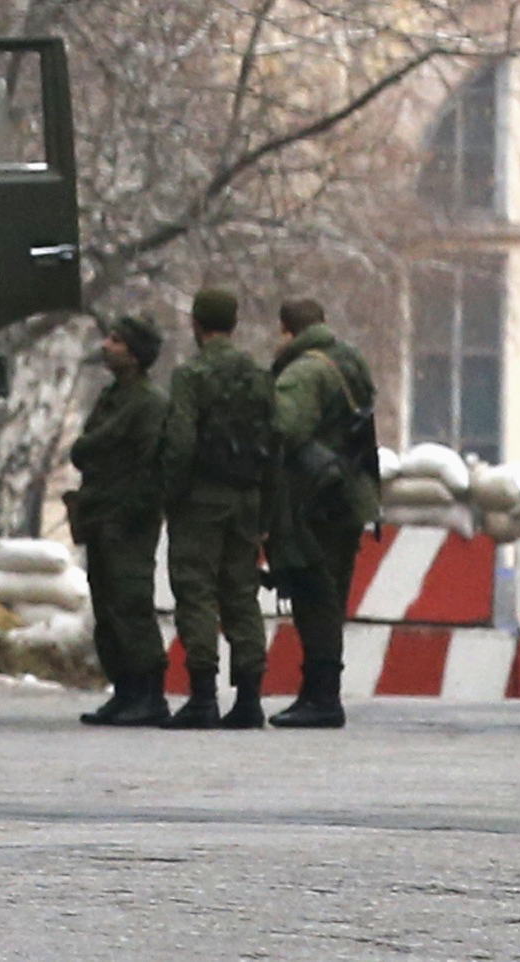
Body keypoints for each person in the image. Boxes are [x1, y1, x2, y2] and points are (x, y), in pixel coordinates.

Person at [160, 287, 274, 729]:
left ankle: (203, 697)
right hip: (247, 497)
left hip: (201, 500)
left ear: (196, 323)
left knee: (197, 592)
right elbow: (274, 439)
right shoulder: (257, 375)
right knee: (241, 593)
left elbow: (181, 440)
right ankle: (249, 698)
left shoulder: (192, 375)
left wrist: (171, 492)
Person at [267, 299, 379, 730]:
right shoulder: (349, 361)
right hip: (349, 495)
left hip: (316, 500)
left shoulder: (303, 372)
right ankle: (319, 692)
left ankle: (321, 696)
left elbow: (286, 429)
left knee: (316, 597)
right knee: (331, 594)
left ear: (286, 330)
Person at [69, 313, 170, 728]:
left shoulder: (149, 404)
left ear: (135, 353)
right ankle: (125, 690)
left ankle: (149, 694)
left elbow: (152, 467)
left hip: (128, 520)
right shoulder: (113, 398)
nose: (107, 346)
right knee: (106, 606)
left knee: (130, 606)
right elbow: (84, 450)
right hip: (101, 513)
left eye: (116, 340)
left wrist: (131, 514)